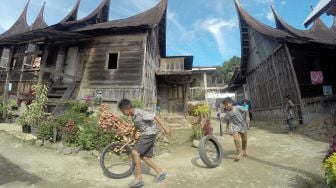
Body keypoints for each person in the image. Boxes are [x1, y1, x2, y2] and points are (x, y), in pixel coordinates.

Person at [118, 99, 171, 188]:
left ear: (126, 108)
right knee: (143, 156)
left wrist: (166, 128)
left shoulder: (139, 112)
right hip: (147, 134)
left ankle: (139, 179)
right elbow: (137, 125)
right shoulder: (133, 116)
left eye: (123, 111)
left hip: (149, 134)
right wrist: (133, 135)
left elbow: (155, 116)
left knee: (135, 152)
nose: (123, 113)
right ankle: (160, 172)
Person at [222, 97, 249, 161]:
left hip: (242, 125)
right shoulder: (227, 113)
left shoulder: (237, 107)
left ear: (231, 103)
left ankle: (244, 150)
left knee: (244, 139)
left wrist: (247, 117)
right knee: (236, 139)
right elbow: (226, 119)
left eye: (227, 104)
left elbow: (246, 109)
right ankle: (239, 152)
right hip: (234, 127)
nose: (226, 106)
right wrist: (226, 126)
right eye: (225, 105)